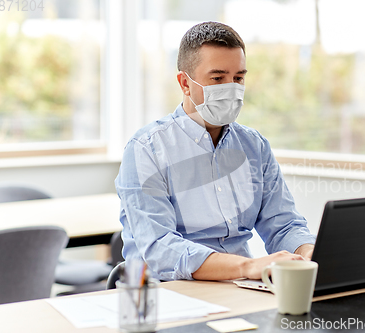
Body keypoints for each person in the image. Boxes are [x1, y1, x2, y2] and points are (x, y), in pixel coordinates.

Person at [115, 21, 315, 282]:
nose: (231, 88)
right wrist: (247, 267)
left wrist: (309, 253)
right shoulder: (146, 149)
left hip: (241, 288)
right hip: (167, 293)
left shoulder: (255, 146)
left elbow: (283, 225)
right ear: (185, 84)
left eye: (239, 78)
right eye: (218, 78)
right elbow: (160, 247)